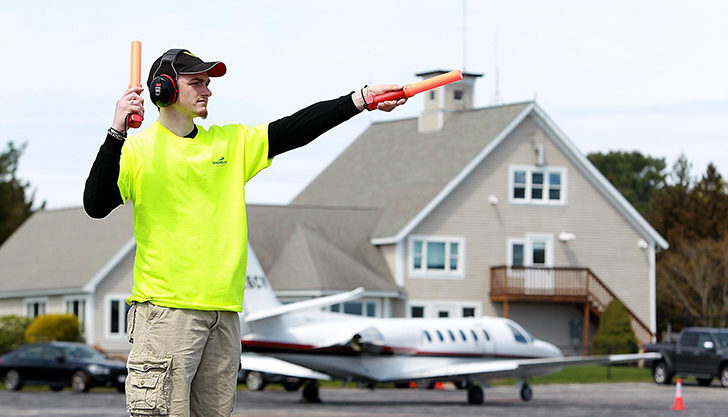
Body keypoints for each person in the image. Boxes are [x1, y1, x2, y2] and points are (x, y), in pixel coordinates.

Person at [83, 48, 405, 417]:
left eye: (208, 83)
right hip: (168, 314)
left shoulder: (229, 144)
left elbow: (293, 129)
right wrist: (116, 132)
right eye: (197, 82)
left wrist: (359, 100)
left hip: (226, 313)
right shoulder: (137, 150)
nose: (207, 90)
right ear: (164, 89)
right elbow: (96, 204)